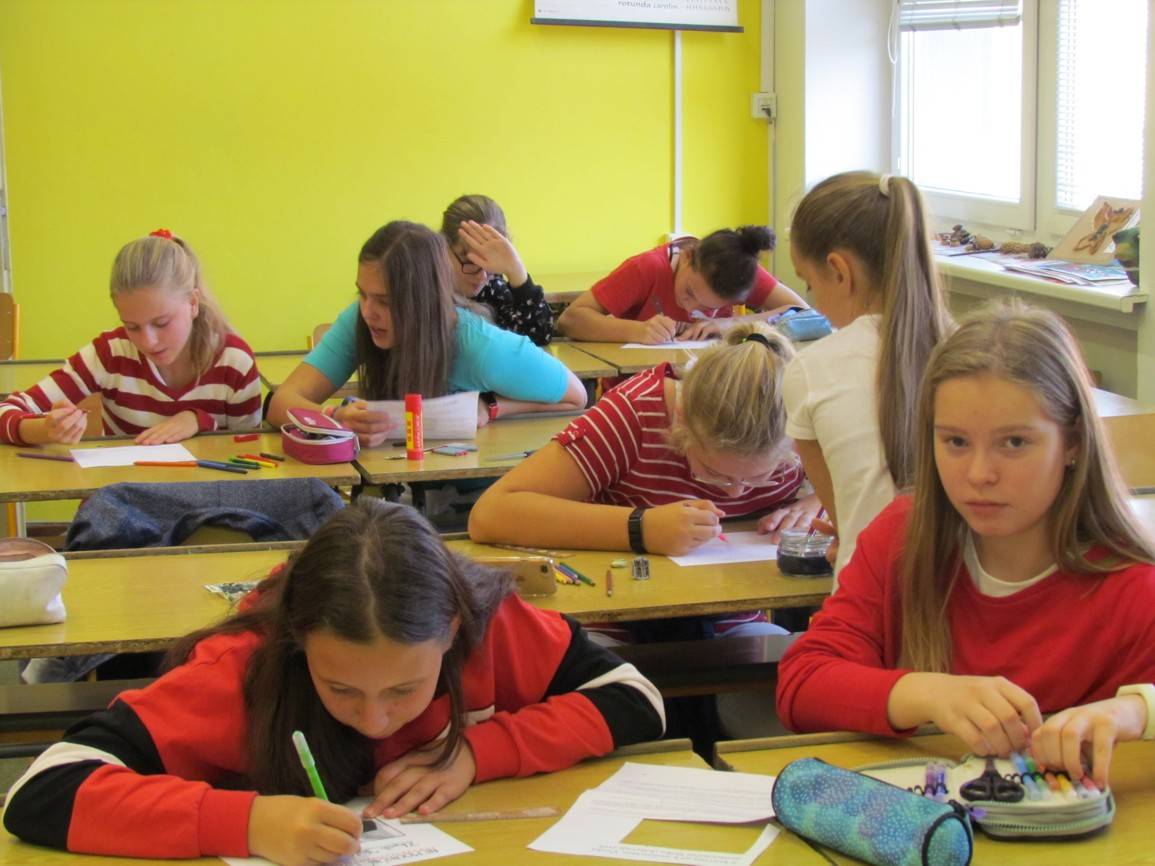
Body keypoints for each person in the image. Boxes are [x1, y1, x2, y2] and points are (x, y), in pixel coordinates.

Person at [3, 499, 665, 862]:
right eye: (341, 688)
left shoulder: (490, 625)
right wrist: (246, 822)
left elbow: (635, 699)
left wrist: (475, 751)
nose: (375, 720)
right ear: (298, 644)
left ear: (451, 634)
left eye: (405, 690)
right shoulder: (244, 669)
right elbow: (43, 790)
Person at [776, 303, 1155, 789]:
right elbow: (802, 684)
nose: (979, 474)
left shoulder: (1131, 586)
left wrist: (1135, 711)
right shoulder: (901, 537)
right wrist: (928, 694)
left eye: (1014, 443)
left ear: (1074, 442)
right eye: (955, 442)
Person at [470, 322, 820, 640]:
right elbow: (491, 514)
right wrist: (642, 527)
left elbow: (849, 496)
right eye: (713, 472)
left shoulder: (807, 421)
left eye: (758, 478)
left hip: (734, 613)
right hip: (617, 614)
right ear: (681, 419)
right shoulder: (634, 413)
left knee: (786, 661)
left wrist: (819, 502)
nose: (734, 491)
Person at [267, 221, 586, 447]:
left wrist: (491, 406)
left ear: (426, 300)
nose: (368, 311)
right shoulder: (359, 322)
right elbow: (281, 403)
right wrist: (334, 416)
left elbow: (576, 397)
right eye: (362, 294)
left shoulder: (484, 348)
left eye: (385, 301)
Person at [783, 172, 953, 586]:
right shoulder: (975, 350)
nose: (813, 299)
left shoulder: (810, 369)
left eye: (809, 283)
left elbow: (848, 523)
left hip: (869, 597)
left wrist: (850, 537)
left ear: (839, 271)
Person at [0, 230, 260, 445]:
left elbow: (249, 448)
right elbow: (7, 411)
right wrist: (44, 429)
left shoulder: (234, 360)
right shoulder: (110, 353)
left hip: (205, 490)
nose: (148, 341)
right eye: (132, 327)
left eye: (161, 323)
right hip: (123, 488)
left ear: (193, 303)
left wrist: (200, 421)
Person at [556, 226, 805, 345]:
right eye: (689, 292)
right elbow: (570, 320)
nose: (689, 308)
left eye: (708, 308)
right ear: (687, 256)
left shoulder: (741, 272)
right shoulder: (647, 268)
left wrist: (729, 324)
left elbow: (803, 313)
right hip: (635, 389)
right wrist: (637, 331)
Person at [440, 194, 554, 346]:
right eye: (470, 262)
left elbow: (540, 336)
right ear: (443, 249)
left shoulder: (492, 288)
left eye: (490, 264)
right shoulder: (427, 292)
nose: (482, 277)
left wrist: (516, 271)